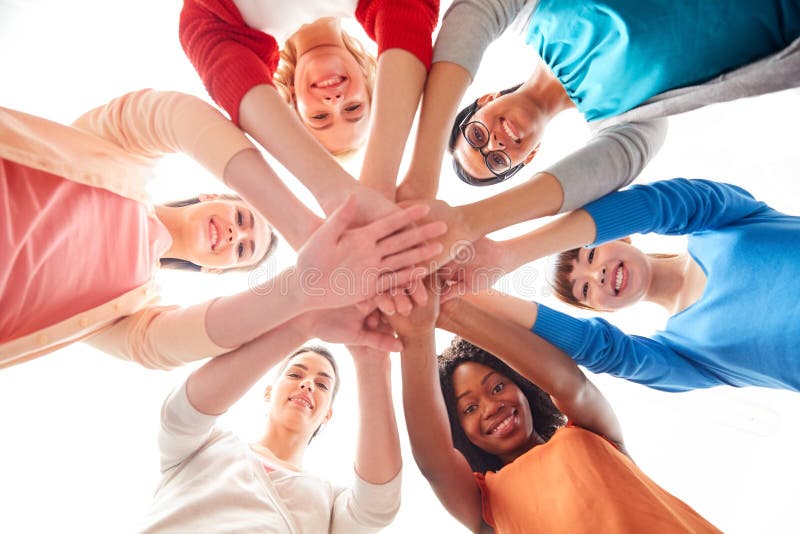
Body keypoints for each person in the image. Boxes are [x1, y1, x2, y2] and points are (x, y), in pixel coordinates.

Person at [0, 89, 447, 368]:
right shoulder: (115, 154)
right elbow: (173, 115)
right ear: (212, 196)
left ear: (214, 271)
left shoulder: (125, 317)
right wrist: (301, 225)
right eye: (242, 219)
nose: (235, 235)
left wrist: (303, 291)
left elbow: (172, 347)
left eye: (241, 250)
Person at [397, 0, 800, 232]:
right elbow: (603, 173)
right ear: (529, 158)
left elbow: (475, 12)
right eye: (498, 161)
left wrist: (423, 169)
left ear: (484, 99)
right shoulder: (629, 125)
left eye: (477, 138)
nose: (496, 144)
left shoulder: (529, 13)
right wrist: (467, 224)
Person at [386, 282, 720, 533]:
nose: (491, 407)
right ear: (458, 429)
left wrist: (451, 311)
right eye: (469, 408)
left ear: (524, 388)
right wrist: (417, 336)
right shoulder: (483, 501)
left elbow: (570, 384)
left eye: (498, 386)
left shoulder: (590, 432)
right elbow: (435, 460)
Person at [464, 178, 800, 392]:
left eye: (591, 255)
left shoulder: (717, 222)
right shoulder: (682, 352)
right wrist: (469, 290)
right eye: (584, 290)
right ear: (599, 309)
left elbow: (655, 205)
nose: (598, 275)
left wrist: (508, 254)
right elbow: (604, 351)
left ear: (619, 234)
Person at [179, 0, 440, 230]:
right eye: (353, 108)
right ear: (371, 79)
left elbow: (217, 59)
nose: (335, 102)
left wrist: (332, 190)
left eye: (320, 117)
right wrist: (377, 181)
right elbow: (409, 11)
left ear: (292, 101)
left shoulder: (231, 28)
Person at [142, 310, 402, 531]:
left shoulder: (328, 501)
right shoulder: (203, 447)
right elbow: (181, 415)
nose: (308, 384)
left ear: (328, 413)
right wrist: (304, 324)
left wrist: (372, 361)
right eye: (295, 374)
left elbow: (377, 505)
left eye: (322, 385)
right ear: (269, 392)